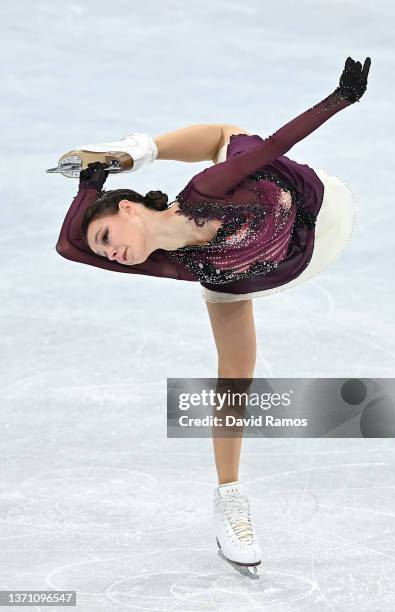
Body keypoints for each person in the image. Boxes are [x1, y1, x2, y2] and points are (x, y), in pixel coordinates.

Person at [53, 56, 372, 578]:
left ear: (129, 210)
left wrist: (340, 98)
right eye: (103, 250)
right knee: (233, 384)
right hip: (254, 271)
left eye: (107, 236)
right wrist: (91, 184)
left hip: (317, 211)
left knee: (236, 139)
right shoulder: (162, 262)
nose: (108, 254)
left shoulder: (209, 189)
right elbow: (70, 246)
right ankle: (229, 499)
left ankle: (143, 146)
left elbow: (274, 147)